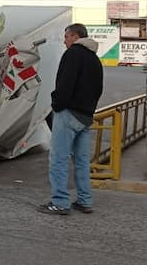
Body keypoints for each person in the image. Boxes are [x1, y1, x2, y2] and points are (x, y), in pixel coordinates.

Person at [38, 23, 104, 215]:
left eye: (66, 36)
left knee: (58, 158)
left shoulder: (73, 54)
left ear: (75, 36)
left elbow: (65, 85)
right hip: (85, 117)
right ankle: (84, 200)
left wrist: (56, 104)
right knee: (82, 161)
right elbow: (98, 89)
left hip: (68, 114)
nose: (64, 40)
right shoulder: (94, 59)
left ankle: (60, 202)